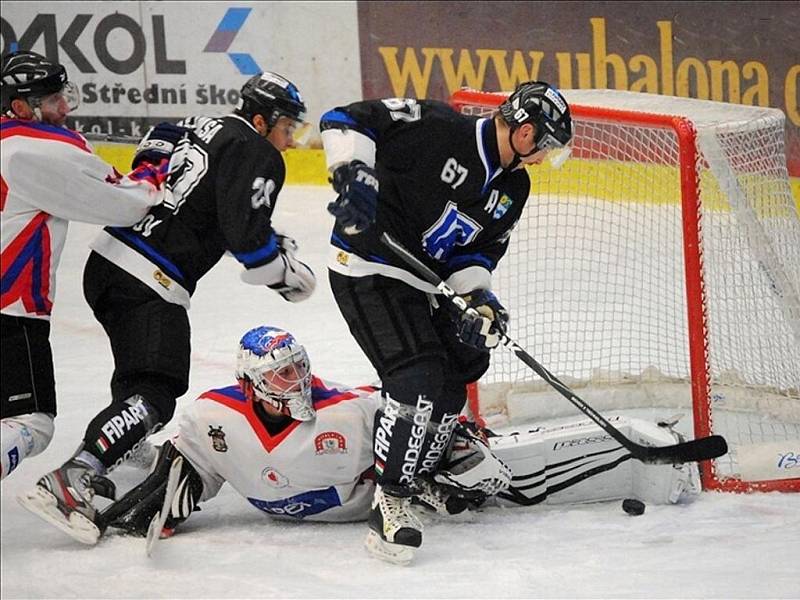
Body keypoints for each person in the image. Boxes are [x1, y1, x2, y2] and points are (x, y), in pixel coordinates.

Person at [90, 325, 698, 567]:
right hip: (347, 499)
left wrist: (447, 450)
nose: (295, 382)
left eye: (299, 368)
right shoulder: (213, 418)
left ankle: (645, 461)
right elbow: (197, 463)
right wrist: (165, 494)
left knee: (509, 484)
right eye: (280, 376)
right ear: (250, 382)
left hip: (398, 494)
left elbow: (413, 415)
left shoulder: (351, 410)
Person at [17, 71, 317, 543]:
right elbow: (247, 240)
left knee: (139, 375)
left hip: (105, 262)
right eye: (287, 129)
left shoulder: (199, 121)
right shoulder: (257, 150)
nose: (292, 143)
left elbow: (155, 146)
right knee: (156, 392)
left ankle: (120, 446)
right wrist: (284, 274)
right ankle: (70, 480)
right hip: (150, 280)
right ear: (261, 120)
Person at [317, 81, 574, 561]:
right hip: (368, 267)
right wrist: (352, 175)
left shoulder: (514, 186)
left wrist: (479, 299)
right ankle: (388, 498)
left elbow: (478, 251)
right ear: (524, 129)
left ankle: (423, 472)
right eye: (544, 143)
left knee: (464, 360)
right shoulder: (439, 128)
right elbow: (344, 117)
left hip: (422, 280)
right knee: (416, 378)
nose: (543, 155)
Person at [1, 50, 167, 481]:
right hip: (9, 309)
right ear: (21, 108)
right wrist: (153, 169)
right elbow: (128, 203)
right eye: (53, 100)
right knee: (31, 422)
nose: (65, 109)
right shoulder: (38, 147)